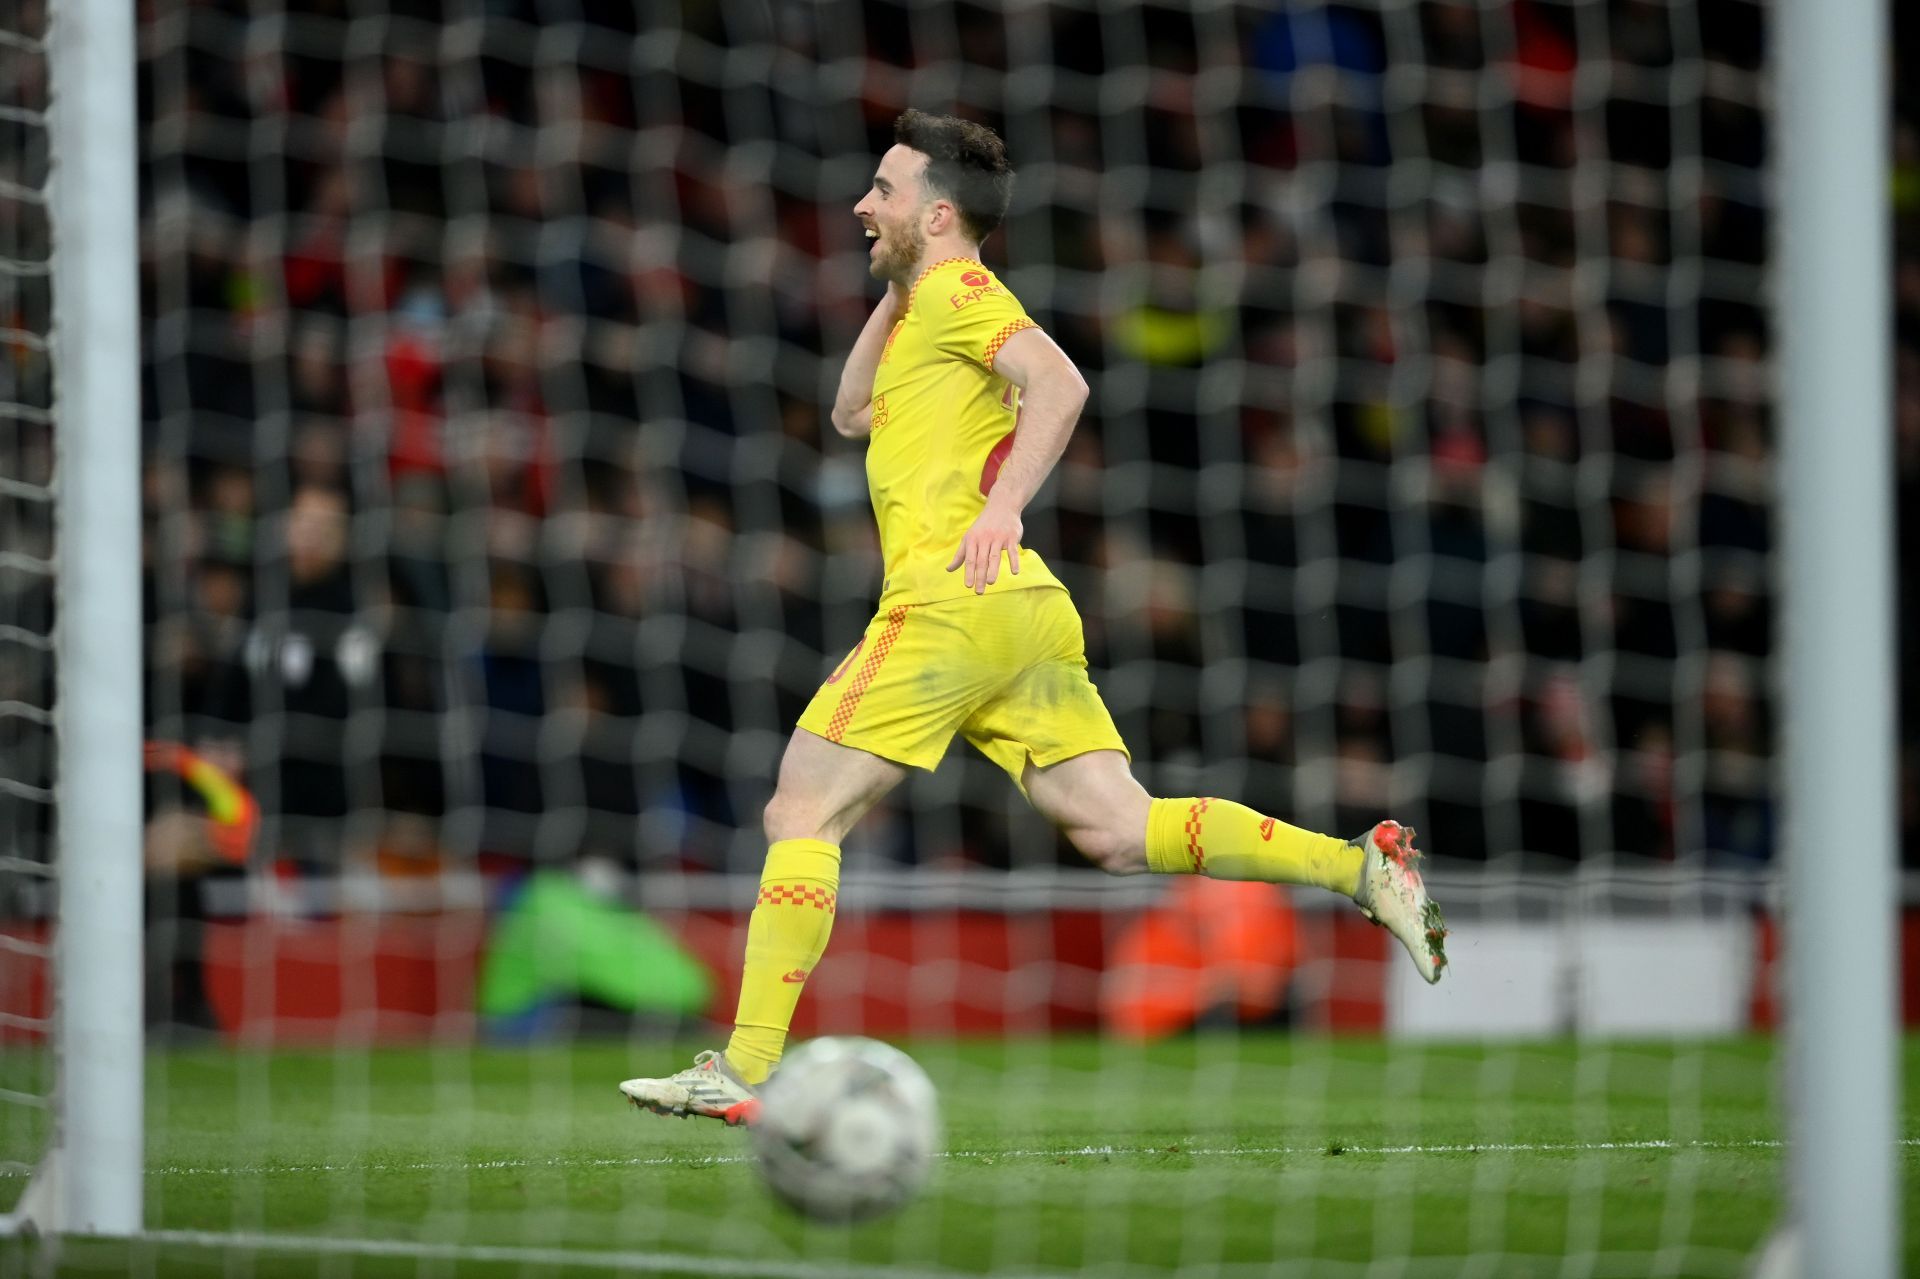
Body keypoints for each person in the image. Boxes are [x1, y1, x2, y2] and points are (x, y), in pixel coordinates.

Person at [620, 110, 1447, 1126]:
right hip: (1020, 614)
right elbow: (847, 413)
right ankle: (1357, 865)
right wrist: (894, 284)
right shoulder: (926, 301)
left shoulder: (964, 290)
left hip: (950, 603)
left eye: (883, 190)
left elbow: (1060, 381)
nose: (859, 205)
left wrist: (1005, 503)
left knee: (801, 813)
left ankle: (743, 1067)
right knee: (1116, 827)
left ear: (937, 211)